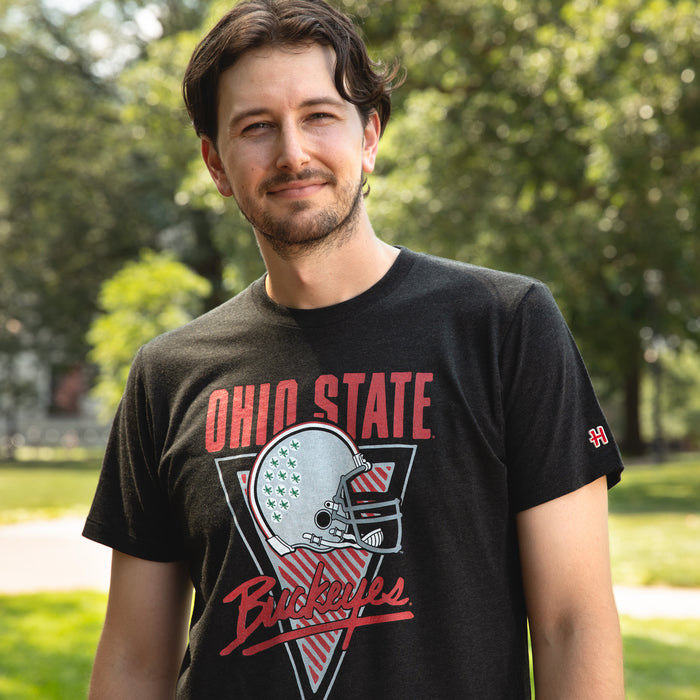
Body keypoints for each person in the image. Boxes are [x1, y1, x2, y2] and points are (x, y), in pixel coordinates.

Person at [83, 0, 625, 697]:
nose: (292, 152)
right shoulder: (169, 375)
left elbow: (573, 624)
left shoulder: (505, 325)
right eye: (256, 128)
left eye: (319, 115)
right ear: (216, 164)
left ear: (369, 134)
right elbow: (134, 657)